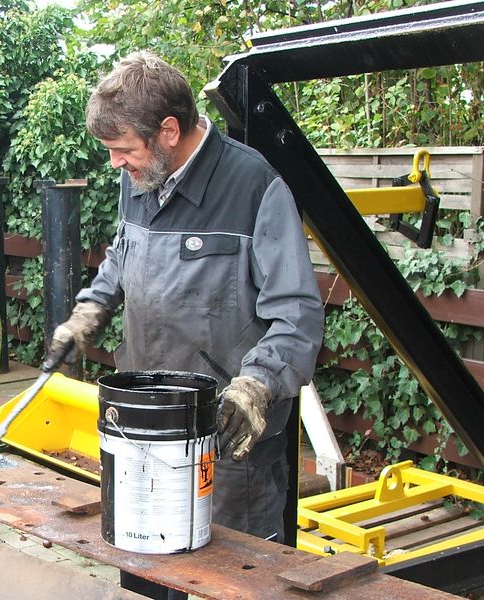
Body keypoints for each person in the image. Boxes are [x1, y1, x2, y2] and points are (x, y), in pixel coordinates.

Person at [47, 50, 324, 596]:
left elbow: (297, 312)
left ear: (168, 131)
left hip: (226, 438)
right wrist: (90, 310)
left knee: (235, 582)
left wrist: (256, 385)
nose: (115, 164)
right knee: (145, 573)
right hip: (143, 431)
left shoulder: (254, 187)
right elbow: (121, 258)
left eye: (122, 149)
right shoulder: (141, 176)